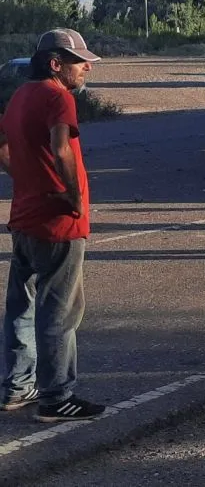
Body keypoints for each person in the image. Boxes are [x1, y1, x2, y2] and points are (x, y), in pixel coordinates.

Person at [0, 29, 106, 422]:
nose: (88, 68)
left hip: (25, 218)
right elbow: (61, 148)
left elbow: (0, 144)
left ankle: (16, 387)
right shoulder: (58, 97)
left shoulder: (19, 97)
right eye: (80, 62)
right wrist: (73, 197)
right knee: (59, 312)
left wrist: (24, 180)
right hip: (58, 224)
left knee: (21, 308)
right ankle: (57, 397)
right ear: (55, 64)